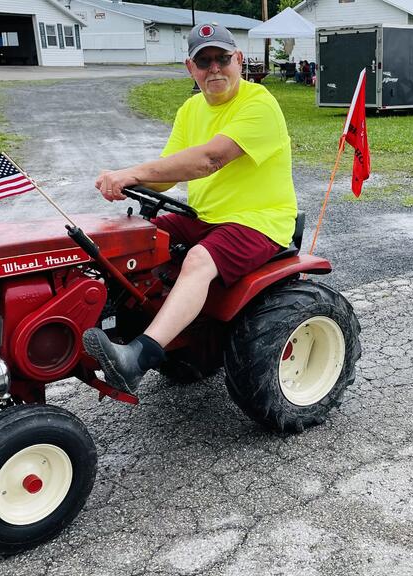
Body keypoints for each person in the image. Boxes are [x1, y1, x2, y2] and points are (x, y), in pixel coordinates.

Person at [82, 22, 298, 396]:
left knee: (199, 259)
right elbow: (167, 177)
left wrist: (133, 172)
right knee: (127, 240)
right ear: (190, 68)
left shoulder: (259, 104)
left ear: (239, 60)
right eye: (204, 61)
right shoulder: (190, 109)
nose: (214, 68)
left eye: (222, 58)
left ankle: (137, 359)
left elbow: (210, 160)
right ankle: (99, 323)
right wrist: (124, 181)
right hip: (205, 218)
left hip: (260, 220)